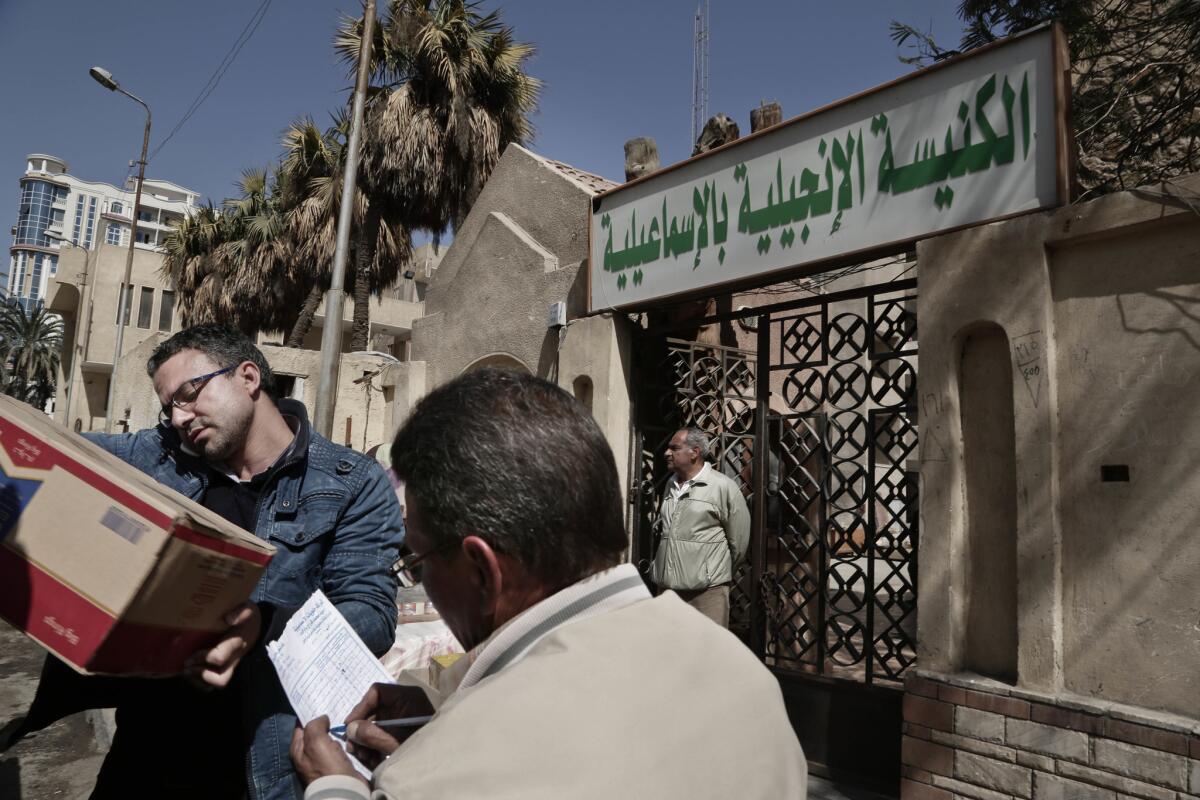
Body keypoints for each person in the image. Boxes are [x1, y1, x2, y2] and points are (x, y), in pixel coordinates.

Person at [290, 368, 806, 799]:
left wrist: (335, 788)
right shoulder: (746, 675)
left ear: (482, 570)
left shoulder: (439, 779)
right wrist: (451, 712)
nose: (418, 575)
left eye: (418, 561)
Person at [18, 324, 404, 800]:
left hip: (261, 766)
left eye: (189, 393)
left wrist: (264, 624)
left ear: (247, 377)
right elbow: (53, 457)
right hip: (143, 759)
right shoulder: (156, 456)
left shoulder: (352, 481)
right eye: (168, 407)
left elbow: (371, 611)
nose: (179, 417)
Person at [651, 427, 751, 627]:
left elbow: (739, 542)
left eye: (674, 448)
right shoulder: (670, 484)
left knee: (708, 652)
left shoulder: (722, 487)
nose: (666, 453)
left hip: (707, 594)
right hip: (668, 590)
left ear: (694, 452)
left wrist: (713, 573)